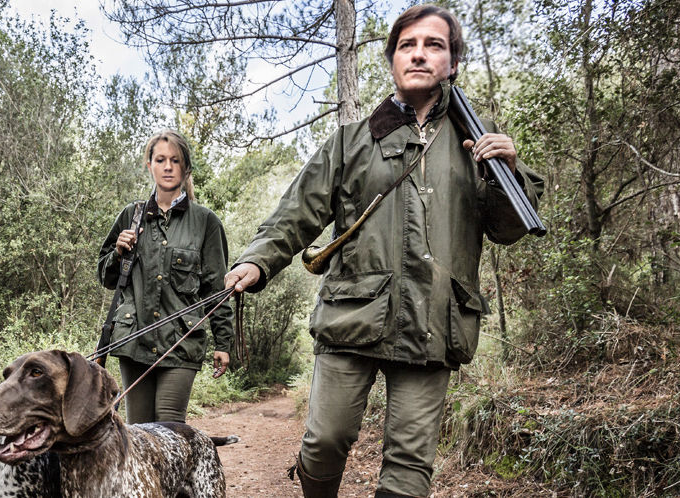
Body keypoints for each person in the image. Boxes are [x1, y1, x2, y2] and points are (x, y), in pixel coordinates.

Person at [221, 5, 545, 498]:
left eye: (434, 45)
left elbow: (508, 229)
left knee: (410, 465)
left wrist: (508, 173)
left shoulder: (478, 143)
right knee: (324, 441)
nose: (419, 54)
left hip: (435, 321)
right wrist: (256, 260)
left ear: (452, 62)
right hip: (354, 315)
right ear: (392, 59)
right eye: (407, 45)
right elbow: (296, 213)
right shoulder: (352, 142)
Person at [94, 130, 233, 425]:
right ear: (150, 165)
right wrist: (118, 253)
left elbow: (216, 289)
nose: (168, 166)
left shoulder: (205, 222)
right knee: (140, 434)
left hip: (181, 343)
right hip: (134, 341)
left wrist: (223, 342)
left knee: (170, 430)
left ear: (186, 168)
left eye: (175, 160)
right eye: (160, 159)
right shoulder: (130, 216)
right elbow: (106, 278)